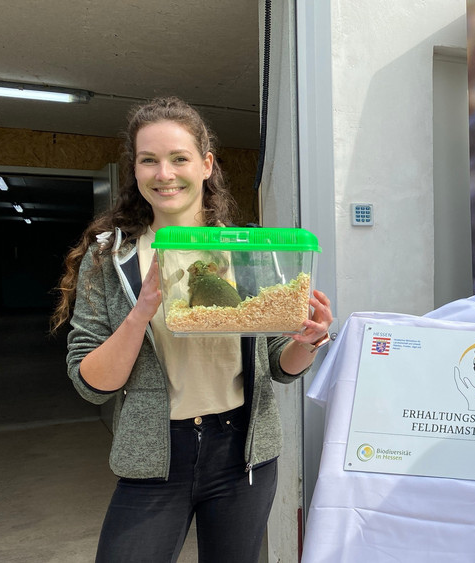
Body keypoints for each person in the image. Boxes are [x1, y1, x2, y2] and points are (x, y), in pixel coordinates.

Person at [50, 96, 333, 562]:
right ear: (135, 170)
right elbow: (91, 384)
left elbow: (280, 365)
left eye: (179, 158)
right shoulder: (109, 259)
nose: (164, 174)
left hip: (242, 452)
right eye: (149, 160)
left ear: (205, 165)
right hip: (156, 455)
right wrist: (140, 312)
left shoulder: (248, 250)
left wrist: (310, 340)